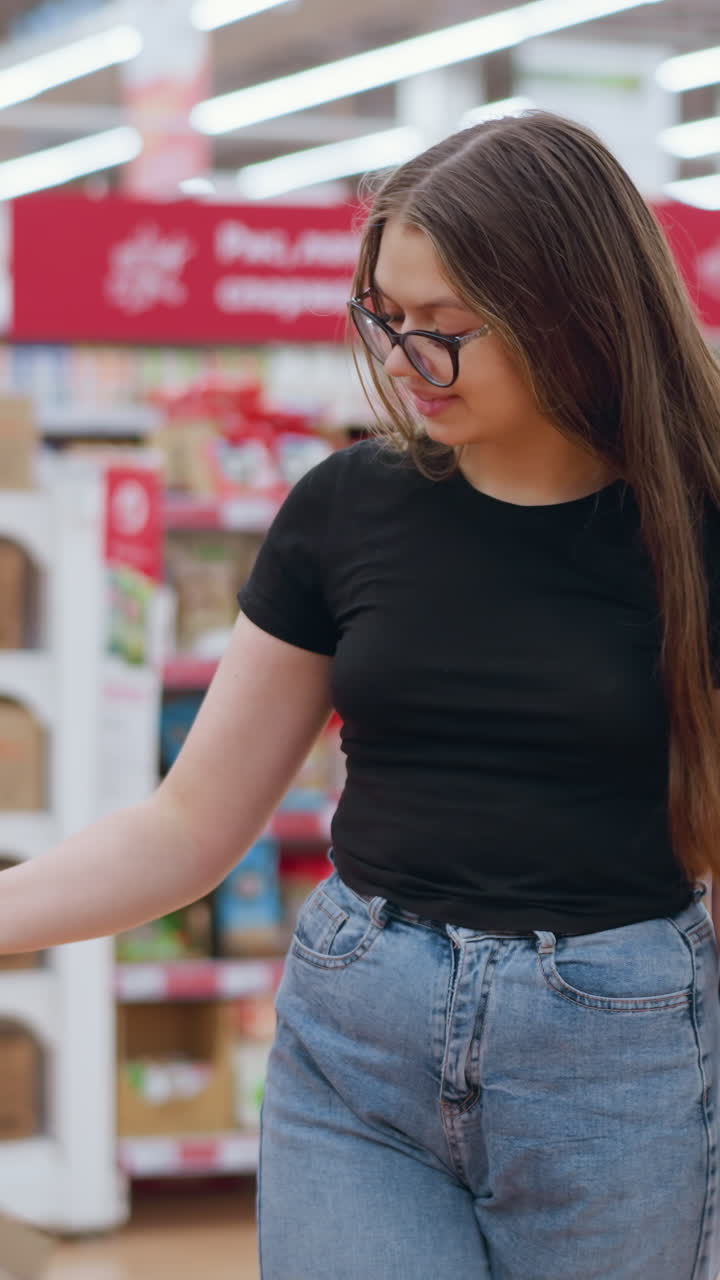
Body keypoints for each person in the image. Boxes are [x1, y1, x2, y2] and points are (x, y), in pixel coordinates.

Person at [3, 110, 720, 1278]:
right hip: (358, 1032)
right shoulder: (345, 509)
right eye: (385, 317)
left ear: (573, 314)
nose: (400, 361)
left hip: (615, 1058)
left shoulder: (693, 530)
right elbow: (187, 824)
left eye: (443, 329)